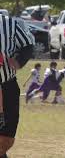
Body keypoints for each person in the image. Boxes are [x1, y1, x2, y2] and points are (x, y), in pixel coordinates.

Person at [0, 15, 34, 158]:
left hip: (6, 86)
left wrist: (19, 61)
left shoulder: (10, 24)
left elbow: (27, 45)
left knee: (6, 136)